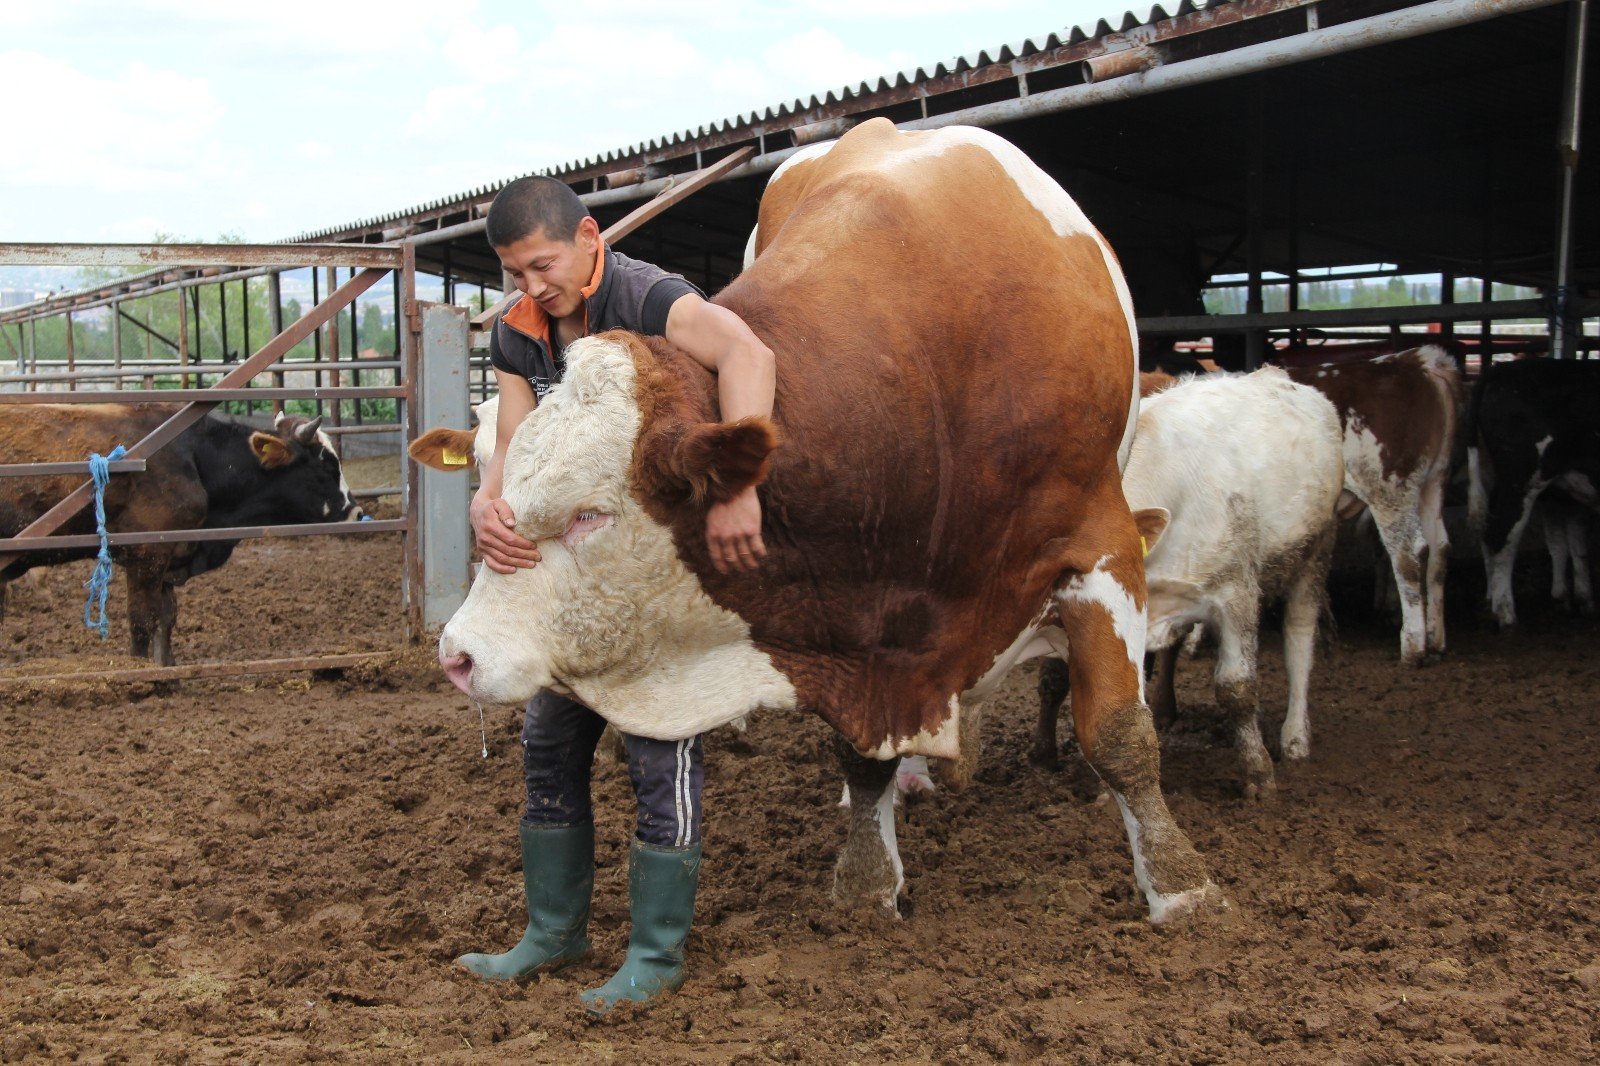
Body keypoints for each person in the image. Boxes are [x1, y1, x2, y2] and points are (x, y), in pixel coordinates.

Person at [455, 175, 775, 1014]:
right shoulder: (521, 332)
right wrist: (487, 504)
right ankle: (552, 934)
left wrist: (742, 487)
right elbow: (515, 444)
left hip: (653, 580)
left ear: (589, 237)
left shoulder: (647, 295)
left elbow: (750, 354)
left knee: (655, 743)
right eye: (514, 274)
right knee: (547, 744)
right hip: (571, 585)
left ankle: (654, 956)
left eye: (543, 265)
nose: (532, 287)